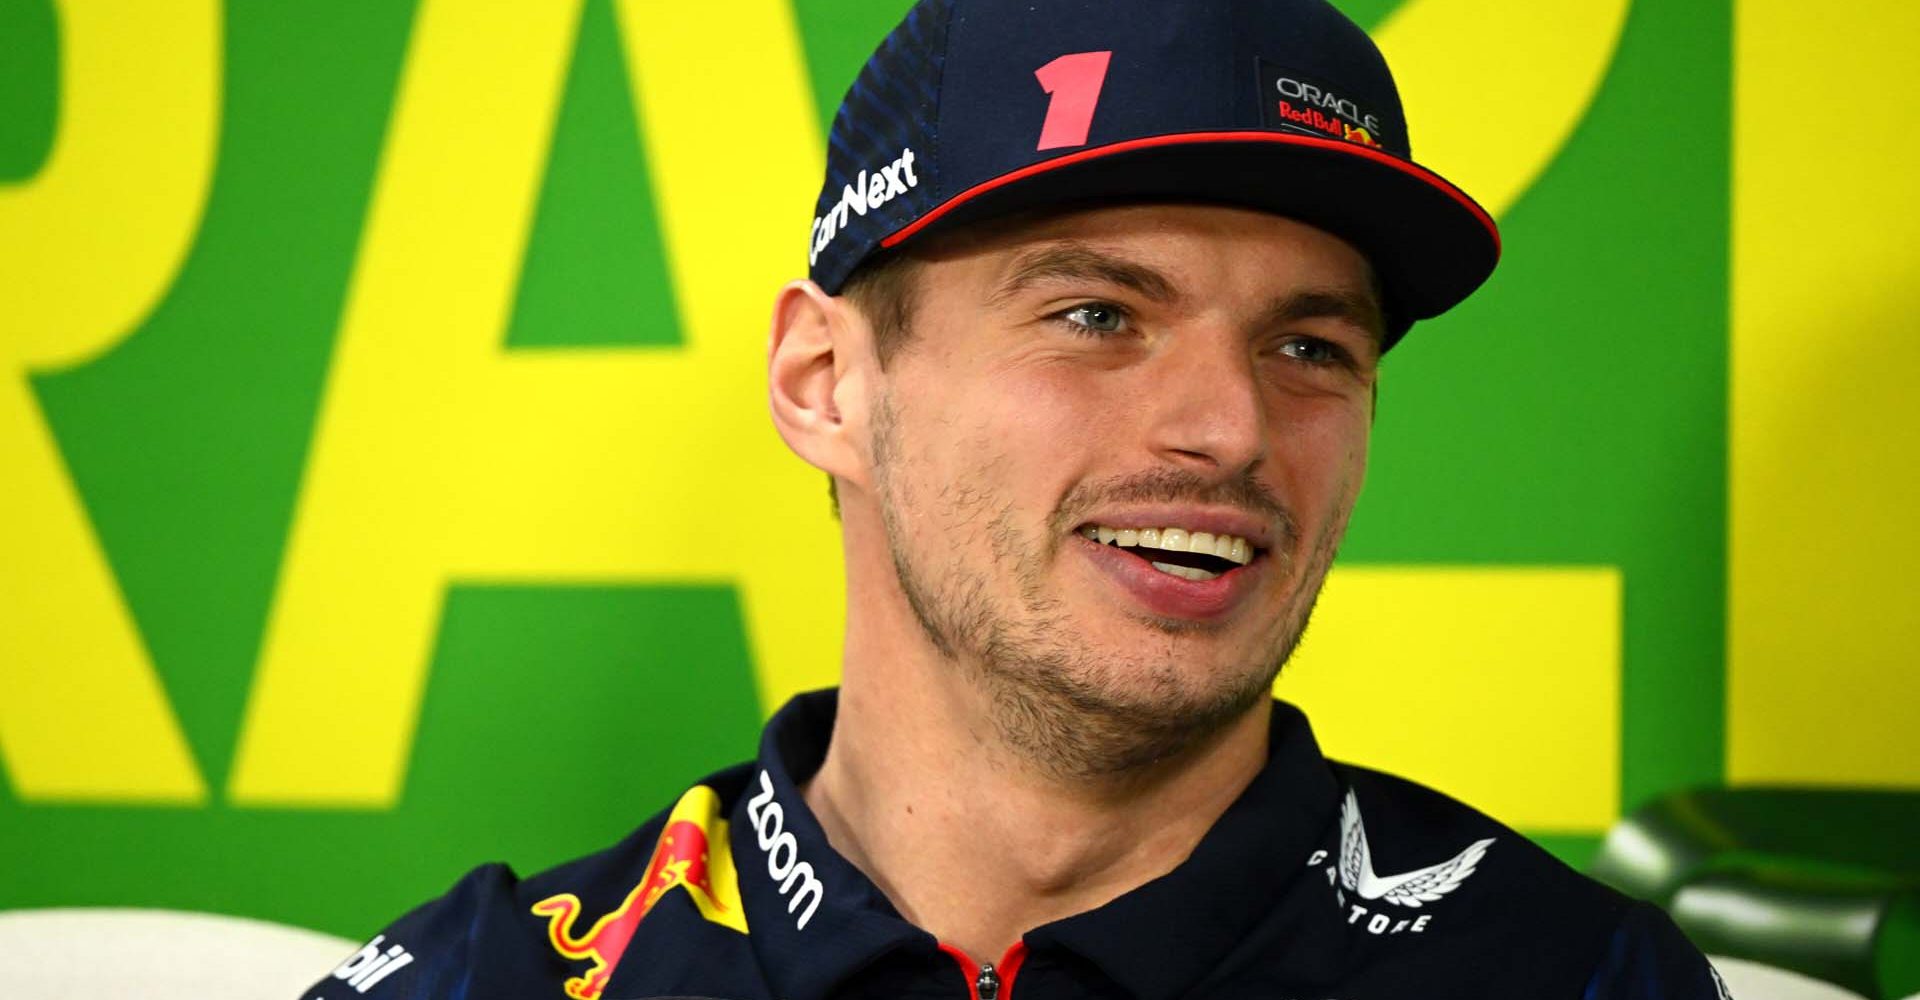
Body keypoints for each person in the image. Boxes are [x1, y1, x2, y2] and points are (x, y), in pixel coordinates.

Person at [306, 1, 1732, 998]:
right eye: (1098, 315)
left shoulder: (1568, 977)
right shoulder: (497, 978)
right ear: (825, 383)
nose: (1229, 429)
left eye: (1309, 346)